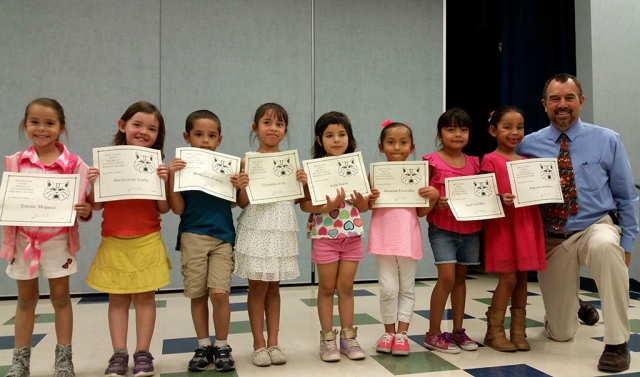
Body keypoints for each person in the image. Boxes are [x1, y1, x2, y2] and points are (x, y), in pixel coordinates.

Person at [518, 73, 639, 373]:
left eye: (569, 98)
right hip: (553, 237)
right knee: (561, 334)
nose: (562, 105)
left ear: (581, 102)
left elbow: (626, 195)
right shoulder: (527, 146)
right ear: (544, 105)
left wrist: (627, 242)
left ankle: (617, 343)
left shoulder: (607, 139)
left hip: (594, 227)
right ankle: (575, 305)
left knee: (606, 247)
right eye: (555, 99)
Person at [1, 98, 92, 377]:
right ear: (25, 125)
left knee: (61, 299)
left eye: (50, 123)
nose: (42, 129)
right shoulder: (16, 162)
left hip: (58, 244)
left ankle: (64, 360)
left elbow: (83, 208)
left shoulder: (75, 165)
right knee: (26, 300)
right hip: (23, 244)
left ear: (61, 128)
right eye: (35, 122)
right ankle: (20, 362)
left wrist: (85, 210)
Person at [86, 101, 171, 377]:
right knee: (118, 299)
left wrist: (163, 181)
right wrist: (94, 182)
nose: (144, 132)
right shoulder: (107, 161)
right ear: (122, 126)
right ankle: (119, 354)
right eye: (137, 125)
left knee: (145, 298)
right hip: (113, 240)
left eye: (152, 128)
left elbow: (164, 208)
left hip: (147, 240)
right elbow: (95, 206)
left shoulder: (158, 165)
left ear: (158, 135)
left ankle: (143, 353)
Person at [230, 103, 307, 367]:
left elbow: (297, 200)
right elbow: (241, 203)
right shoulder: (246, 160)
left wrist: (303, 183)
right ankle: (258, 343)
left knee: (274, 287)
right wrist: (241, 187)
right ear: (256, 127)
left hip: (281, 227)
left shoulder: (291, 162)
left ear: (285, 130)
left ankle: (274, 341)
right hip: (256, 228)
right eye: (267, 122)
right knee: (257, 286)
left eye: (279, 124)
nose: (273, 128)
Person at [167, 110, 236, 372]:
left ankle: (222, 345)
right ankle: (203, 344)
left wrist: (238, 184)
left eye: (211, 136)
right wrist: (172, 177)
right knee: (197, 293)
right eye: (198, 135)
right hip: (192, 235)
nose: (205, 140)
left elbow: (233, 201)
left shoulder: (227, 166)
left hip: (223, 237)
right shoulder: (183, 168)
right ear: (187, 137)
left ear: (219, 139)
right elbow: (178, 209)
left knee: (220, 293)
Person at [300, 111, 370, 362]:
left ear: (349, 138)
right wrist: (325, 207)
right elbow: (304, 205)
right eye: (329, 135)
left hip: (351, 236)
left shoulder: (356, 168)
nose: (336, 139)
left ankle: (348, 337)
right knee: (327, 288)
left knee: (347, 288)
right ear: (320, 140)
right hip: (325, 236)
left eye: (342, 134)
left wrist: (363, 201)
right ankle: (328, 338)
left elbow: (363, 208)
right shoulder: (312, 171)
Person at [368, 120, 439, 356]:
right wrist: (369, 196)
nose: (397, 147)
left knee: (406, 288)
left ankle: (402, 334)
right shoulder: (375, 174)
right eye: (390, 142)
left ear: (412, 147)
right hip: (383, 238)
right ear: (381, 146)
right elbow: (366, 204)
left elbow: (420, 211)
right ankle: (388, 331)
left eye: (403, 142)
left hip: (408, 237)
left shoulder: (418, 175)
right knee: (388, 288)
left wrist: (433, 197)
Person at [480, 106, 546, 352]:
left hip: (526, 223)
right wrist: (499, 197)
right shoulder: (490, 159)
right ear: (493, 130)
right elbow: (484, 192)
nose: (515, 132)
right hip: (503, 225)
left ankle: (518, 330)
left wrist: (550, 185)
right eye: (507, 127)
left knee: (521, 279)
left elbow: (537, 192)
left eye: (519, 127)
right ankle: (493, 331)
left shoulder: (527, 162)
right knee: (507, 278)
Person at [422, 108, 481, 354]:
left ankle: (458, 330)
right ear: (439, 134)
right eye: (451, 129)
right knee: (446, 278)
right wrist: (436, 201)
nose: (457, 134)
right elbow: (422, 199)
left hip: (470, 229)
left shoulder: (475, 163)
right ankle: (433, 333)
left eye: (463, 130)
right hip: (442, 228)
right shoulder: (430, 162)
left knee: (460, 280)